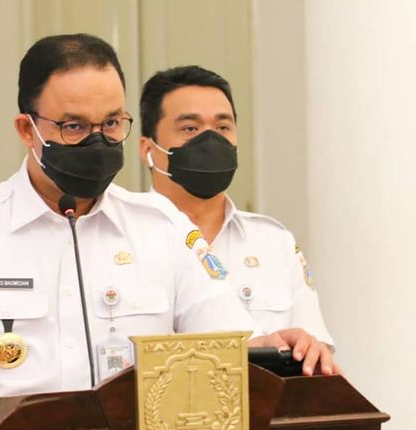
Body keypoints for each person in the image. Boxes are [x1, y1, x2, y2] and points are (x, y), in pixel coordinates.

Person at [0, 35, 334, 429]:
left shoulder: (162, 226)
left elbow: (230, 348)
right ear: (27, 130)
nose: (98, 140)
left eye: (112, 123)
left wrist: (279, 346)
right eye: (74, 127)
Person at [139, 65, 339, 374]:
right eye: (190, 129)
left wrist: (310, 351)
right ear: (148, 149)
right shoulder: (127, 235)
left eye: (222, 128)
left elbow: (314, 355)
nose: (209, 141)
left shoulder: (274, 242)